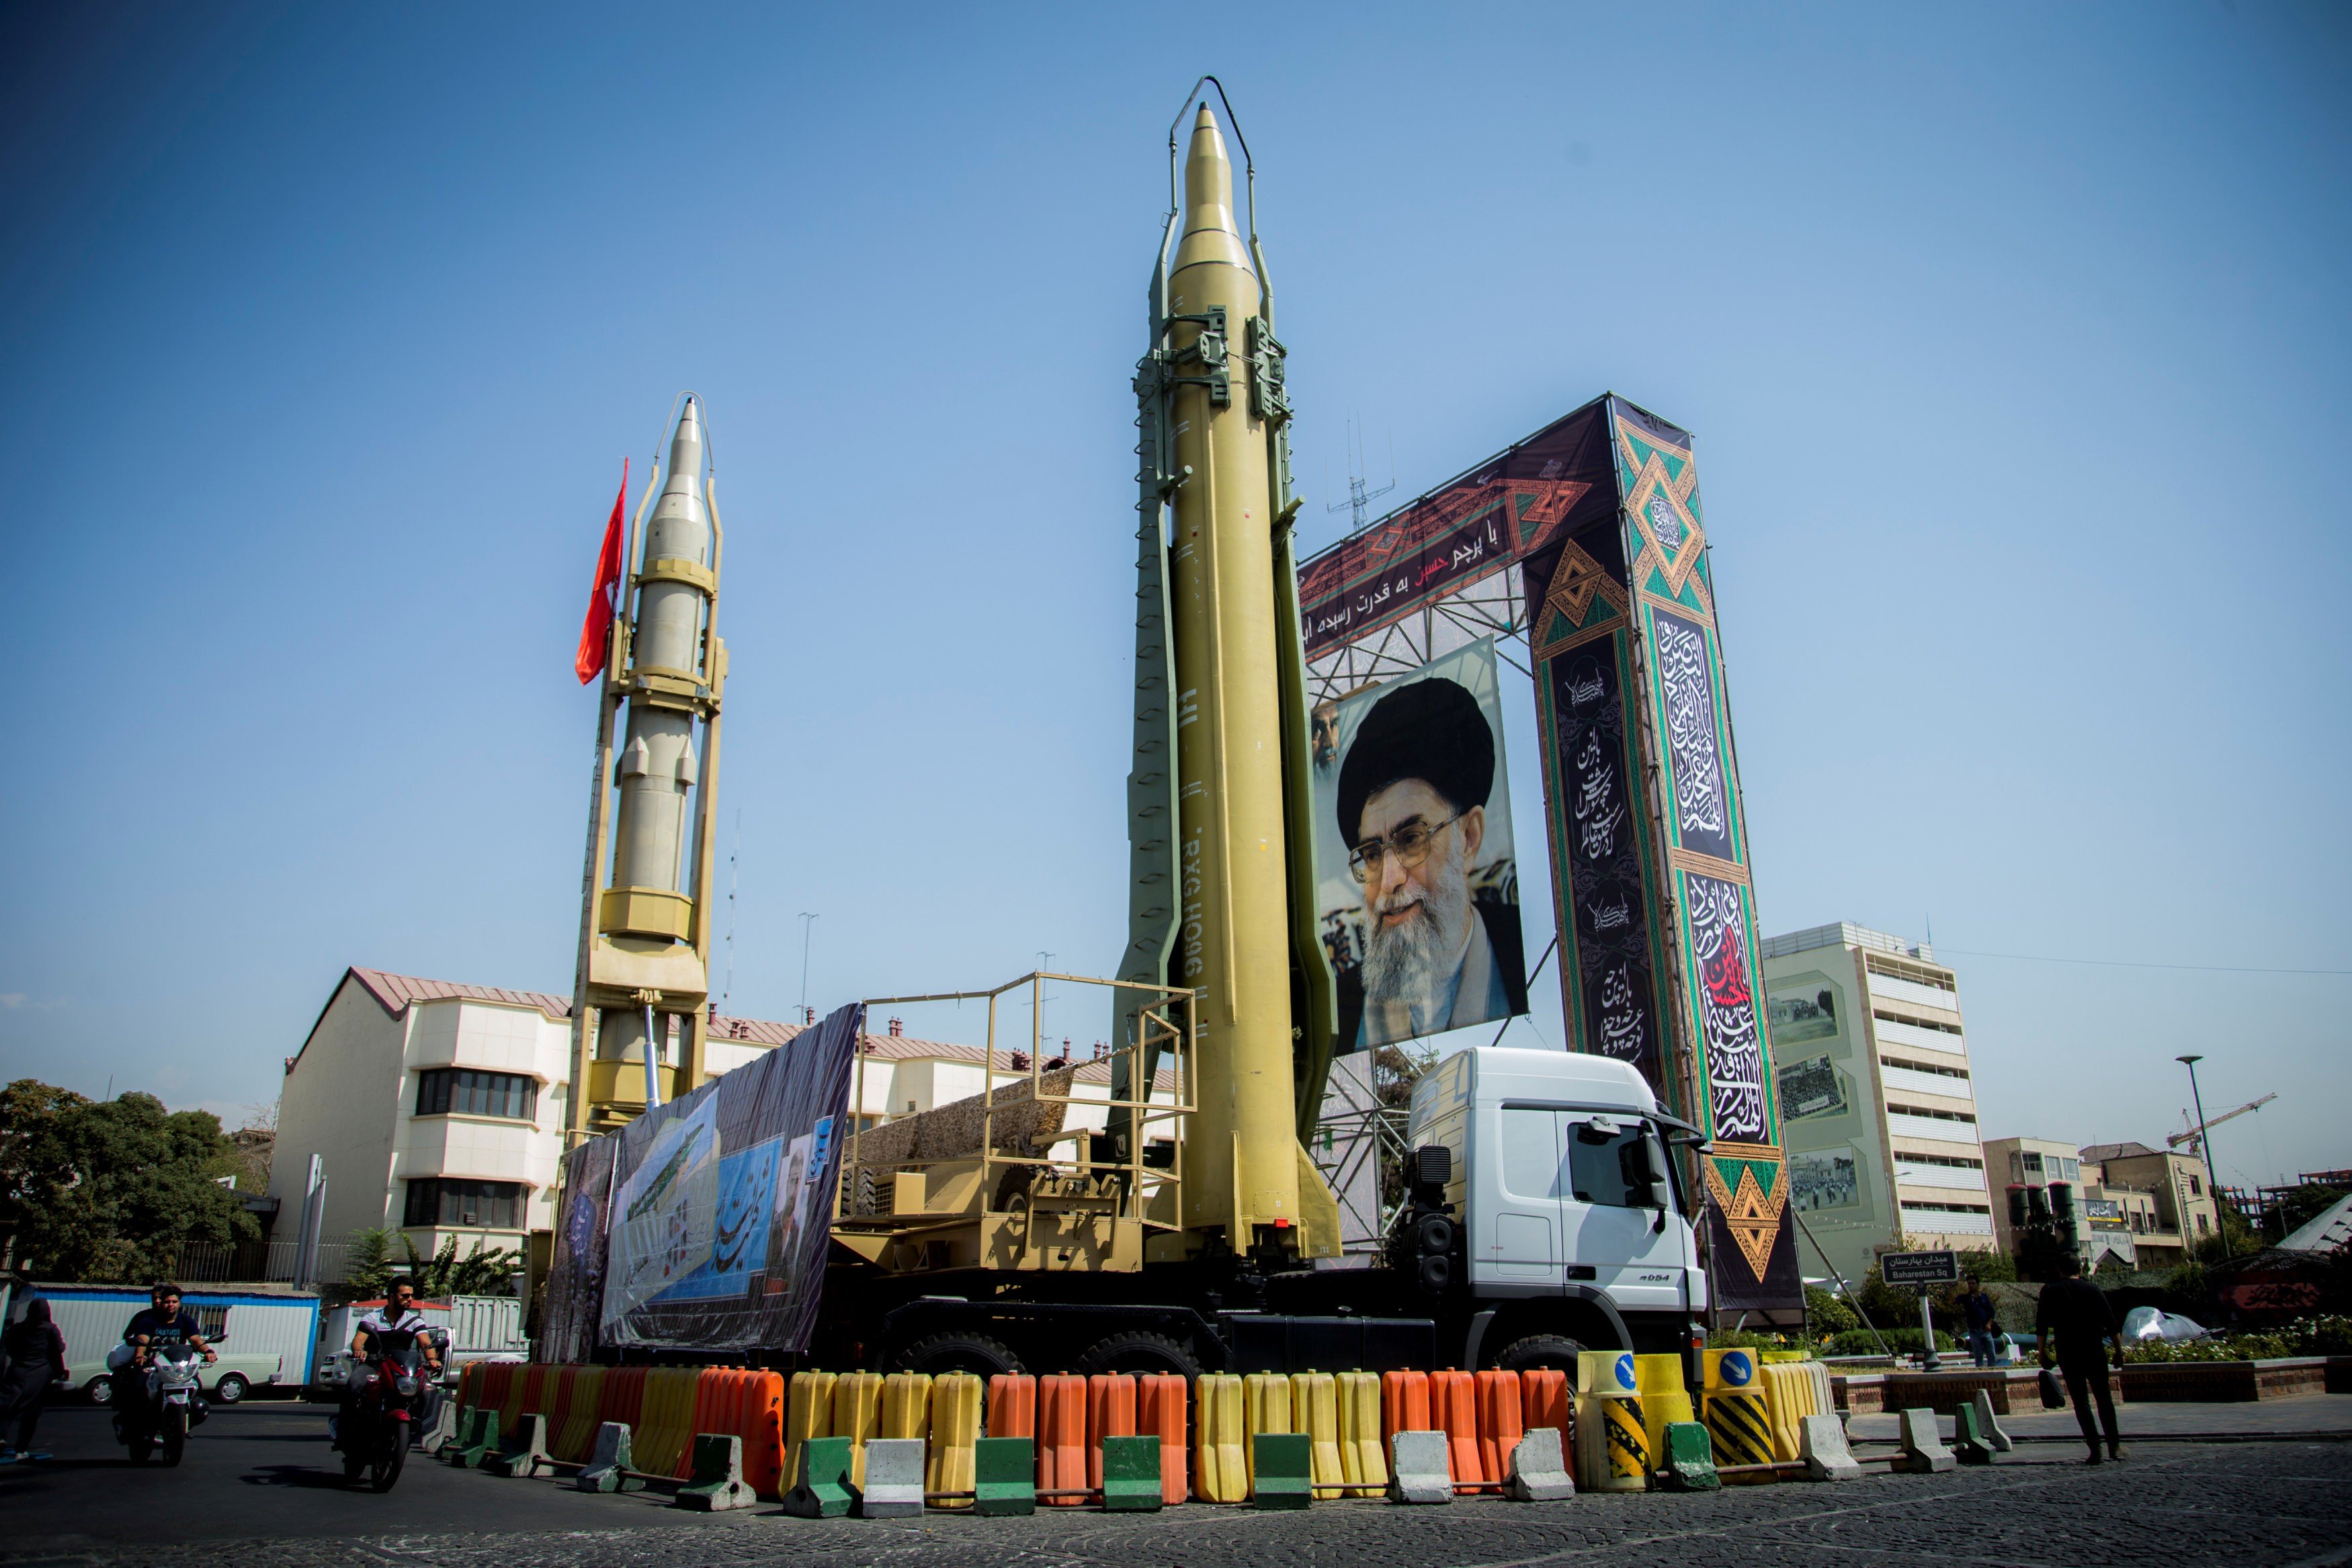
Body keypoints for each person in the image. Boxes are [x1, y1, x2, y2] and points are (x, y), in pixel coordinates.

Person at [1334, 677, 1527, 1049]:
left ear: (1468, 839)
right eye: (1372, 854)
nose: (1389, 880)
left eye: (1410, 839)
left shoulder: (1525, 966)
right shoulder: (1337, 1009)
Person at [2035, 1254, 2125, 1463]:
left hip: (2068, 1352)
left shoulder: (2049, 1291)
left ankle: (2095, 1448)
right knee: (2104, 1399)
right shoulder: (2092, 1289)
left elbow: (2042, 1326)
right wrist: (2119, 1351)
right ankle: (2115, 1447)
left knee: (2081, 1402)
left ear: (2060, 1270)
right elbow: (2111, 1323)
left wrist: (2042, 1353)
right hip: (2094, 1350)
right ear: (2081, 1269)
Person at [339, 1277, 439, 1434]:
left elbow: (426, 1343)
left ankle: (420, 1428)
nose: (410, 1299)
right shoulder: (372, 1319)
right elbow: (358, 1340)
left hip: (401, 1368)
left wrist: (432, 1359)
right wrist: (359, 1351)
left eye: (411, 1296)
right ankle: (345, 1429)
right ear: (392, 1297)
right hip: (373, 1365)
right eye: (405, 1296)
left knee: (428, 1390)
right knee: (354, 1384)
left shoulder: (415, 1321)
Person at [0, 1297, 69, 1460]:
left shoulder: (17, 1329)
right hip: (40, 1374)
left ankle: (1, 1437)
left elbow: (9, 1347)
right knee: (31, 1414)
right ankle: (21, 1449)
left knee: (7, 1408)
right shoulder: (50, 1329)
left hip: (17, 1371)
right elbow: (59, 1349)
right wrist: (59, 1372)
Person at [1959, 1275, 2000, 1368]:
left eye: (1973, 1283)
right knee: (1978, 1355)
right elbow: (1954, 1301)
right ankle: (1981, 1373)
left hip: (1986, 1330)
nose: (1971, 1285)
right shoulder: (1966, 1298)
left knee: (1991, 1354)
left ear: (1977, 1285)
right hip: (1974, 1331)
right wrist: (1949, 1289)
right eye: (1969, 1284)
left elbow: (1992, 1312)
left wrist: (1989, 1324)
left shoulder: (1984, 1297)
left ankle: (1992, 1373)